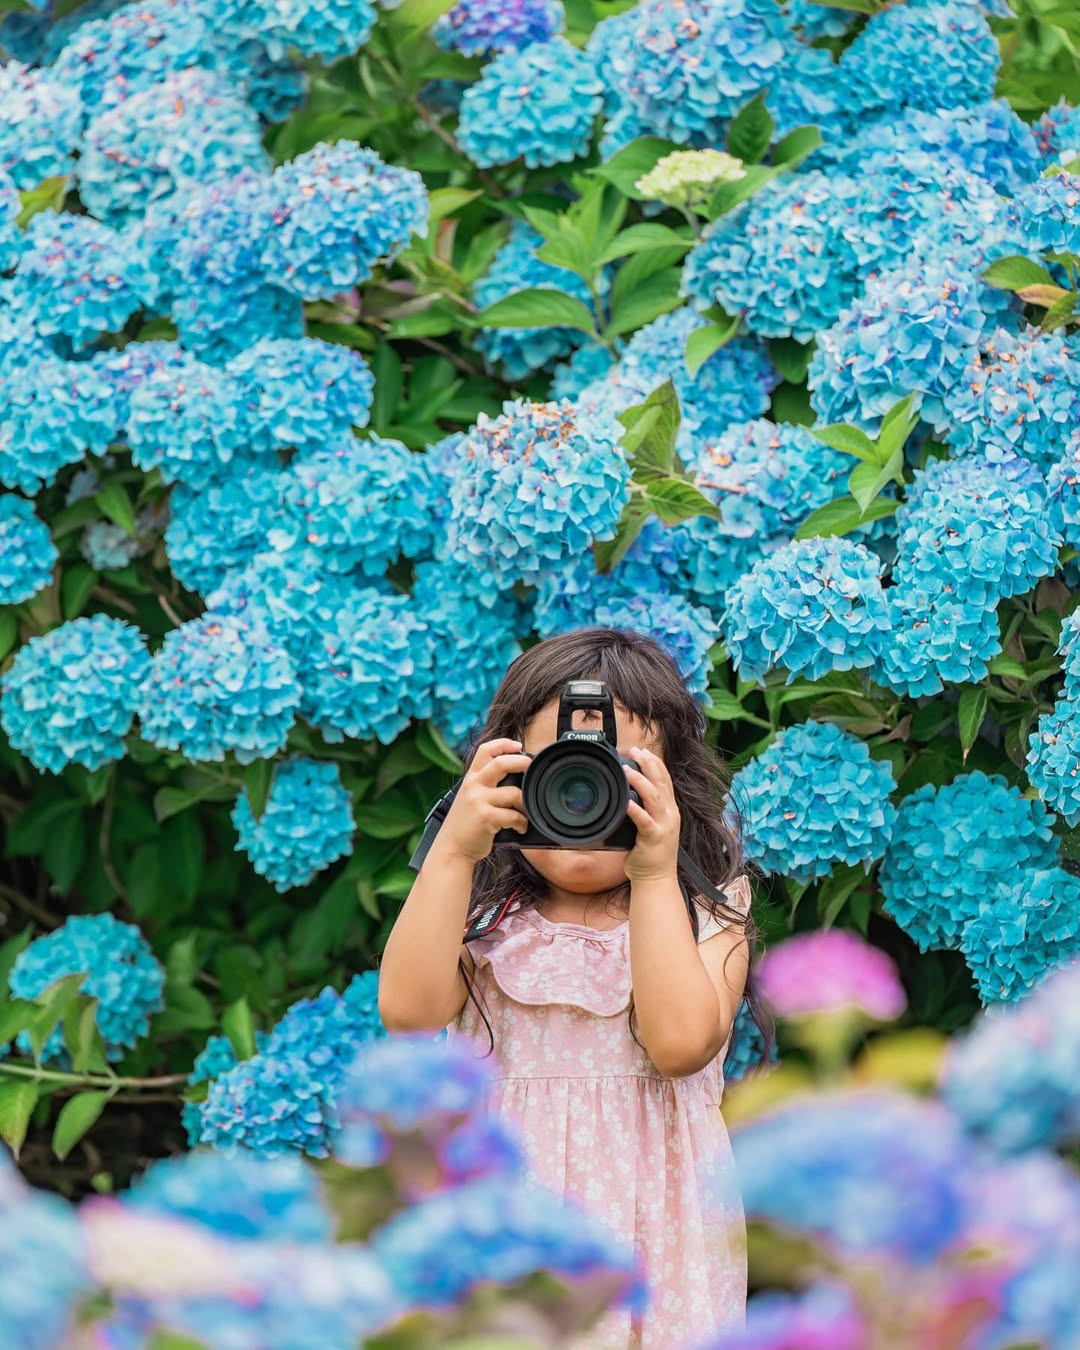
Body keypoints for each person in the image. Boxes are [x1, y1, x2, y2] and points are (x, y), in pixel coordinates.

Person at [378, 627, 770, 1348]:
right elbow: (408, 1013)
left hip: (655, 1245)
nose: (586, 799)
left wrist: (654, 874)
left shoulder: (711, 917)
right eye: (561, 770)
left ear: (670, 789)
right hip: (504, 1234)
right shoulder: (484, 921)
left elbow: (680, 1043)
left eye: (616, 774)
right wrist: (455, 851)